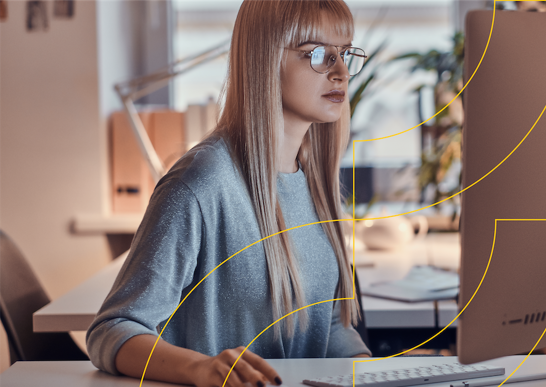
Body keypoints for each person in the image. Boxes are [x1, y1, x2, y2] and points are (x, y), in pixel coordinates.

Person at [86, 1, 371, 386]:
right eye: (316, 54)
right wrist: (200, 368)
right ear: (265, 59)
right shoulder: (201, 182)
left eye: (344, 53)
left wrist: (370, 372)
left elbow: (328, 328)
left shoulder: (315, 181)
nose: (340, 72)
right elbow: (112, 330)